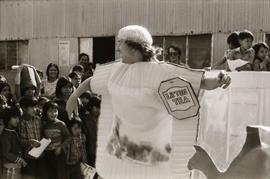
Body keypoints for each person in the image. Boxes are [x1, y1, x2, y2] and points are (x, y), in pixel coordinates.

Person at [66, 25, 231, 179]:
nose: (117, 48)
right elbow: (91, 82)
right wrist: (74, 96)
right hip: (119, 155)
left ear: (133, 46)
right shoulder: (117, 69)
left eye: (120, 43)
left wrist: (219, 79)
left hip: (153, 160)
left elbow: (200, 82)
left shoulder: (161, 71)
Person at [17, 96, 46, 179]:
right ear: (23, 108)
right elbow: (19, 141)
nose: (35, 109)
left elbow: (42, 134)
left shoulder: (38, 120)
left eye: (36, 106)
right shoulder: (20, 123)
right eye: (32, 107)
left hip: (41, 156)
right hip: (28, 158)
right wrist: (30, 142)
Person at [42, 101, 70, 179]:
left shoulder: (61, 124)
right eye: (50, 111)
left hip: (59, 154)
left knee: (60, 175)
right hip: (48, 154)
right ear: (45, 112)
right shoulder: (44, 124)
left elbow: (68, 137)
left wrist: (61, 147)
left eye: (55, 111)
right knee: (51, 174)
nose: (53, 113)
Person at [0, 106, 27, 179]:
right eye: (15, 117)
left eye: (18, 118)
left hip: (15, 166)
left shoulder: (13, 131)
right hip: (9, 167)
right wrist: (20, 160)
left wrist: (29, 142)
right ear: (8, 118)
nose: (17, 120)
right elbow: (6, 152)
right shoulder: (6, 134)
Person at [81, 95, 100, 167]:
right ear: (90, 107)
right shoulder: (85, 119)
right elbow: (85, 135)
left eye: (98, 108)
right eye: (95, 108)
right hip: (91, 149)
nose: (97, 110)